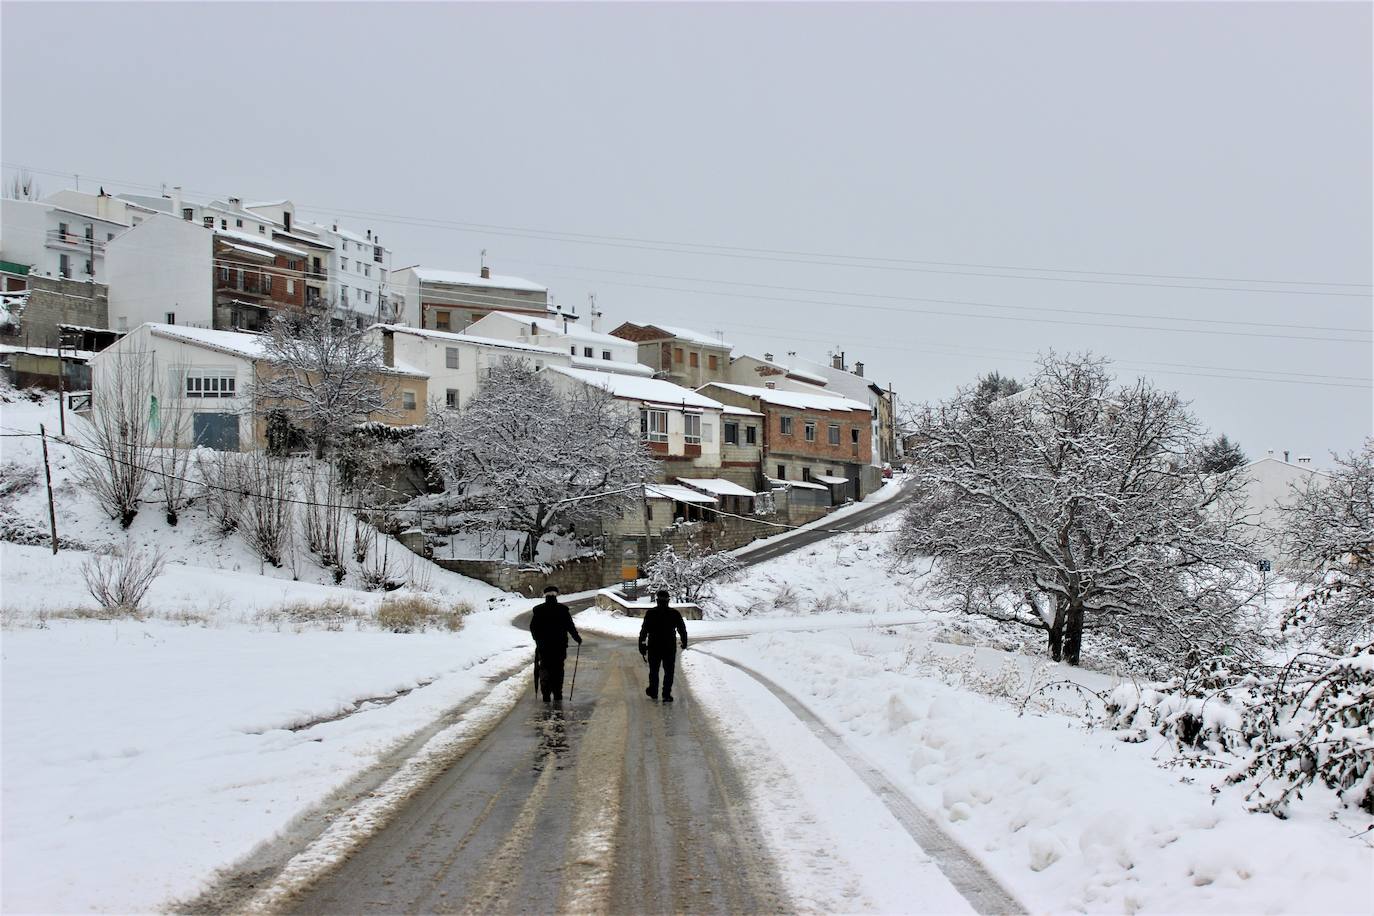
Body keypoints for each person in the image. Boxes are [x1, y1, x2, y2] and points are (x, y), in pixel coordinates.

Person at [530, 585, 581, 702]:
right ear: (556, 595)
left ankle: (546, 694)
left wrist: (538, 640)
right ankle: (557, 693)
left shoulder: (538, 610)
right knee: (558, 669)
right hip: (560, 647)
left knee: (545, 668)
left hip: (544, 647)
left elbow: (533, 628)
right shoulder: (562, 610)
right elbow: (570, 626)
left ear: (545, 596)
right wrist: (577, 638)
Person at [639, 589, 688, 702]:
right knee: (669, 672)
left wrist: (642, 645)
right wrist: (684, 642)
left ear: (657, 600)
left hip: (653, 647)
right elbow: (682, 629)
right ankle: (666, 694)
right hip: (669, 647)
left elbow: (644, 631)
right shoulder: (674, 613)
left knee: (654, 671)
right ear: (668, 600)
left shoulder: (650, 613)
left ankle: (653, 692)